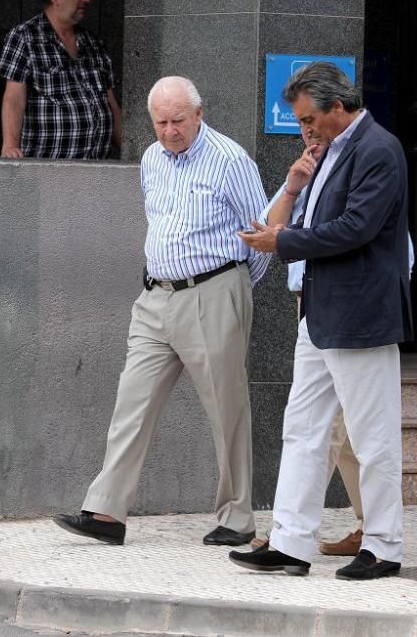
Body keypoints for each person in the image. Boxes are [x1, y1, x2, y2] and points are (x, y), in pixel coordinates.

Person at [53, 76, 270, 547]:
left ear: (199, 113)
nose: (170, 131)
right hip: (154, 297)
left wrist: (232, 292)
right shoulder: (152, 159)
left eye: (178, 121)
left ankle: (237, 518)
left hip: (212, 293)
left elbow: (262, 236)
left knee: (226, 411)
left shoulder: (230, 160)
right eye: (161, 122)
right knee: (131, 402)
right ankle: (107, 513)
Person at [231, 62, 412, 580]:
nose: (304, 129)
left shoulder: (379, 148)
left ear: (339, 107)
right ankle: (290, 543)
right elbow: (310, 222)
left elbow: (356, 228)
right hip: (319, 312)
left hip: (361, 317)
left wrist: (281, 243)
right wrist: (293, 187)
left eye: (310, 119)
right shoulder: (326, 152)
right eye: (300, 121)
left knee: (372, 439)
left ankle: (383, 546)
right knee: (303, 430)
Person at [0, 0, 122, 159]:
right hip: (46, 171)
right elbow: (14, 98)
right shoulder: (25, 37)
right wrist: (10, 146)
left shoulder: (93, 44)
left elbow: (111, 105)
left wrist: (136, 155)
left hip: (96, 172)